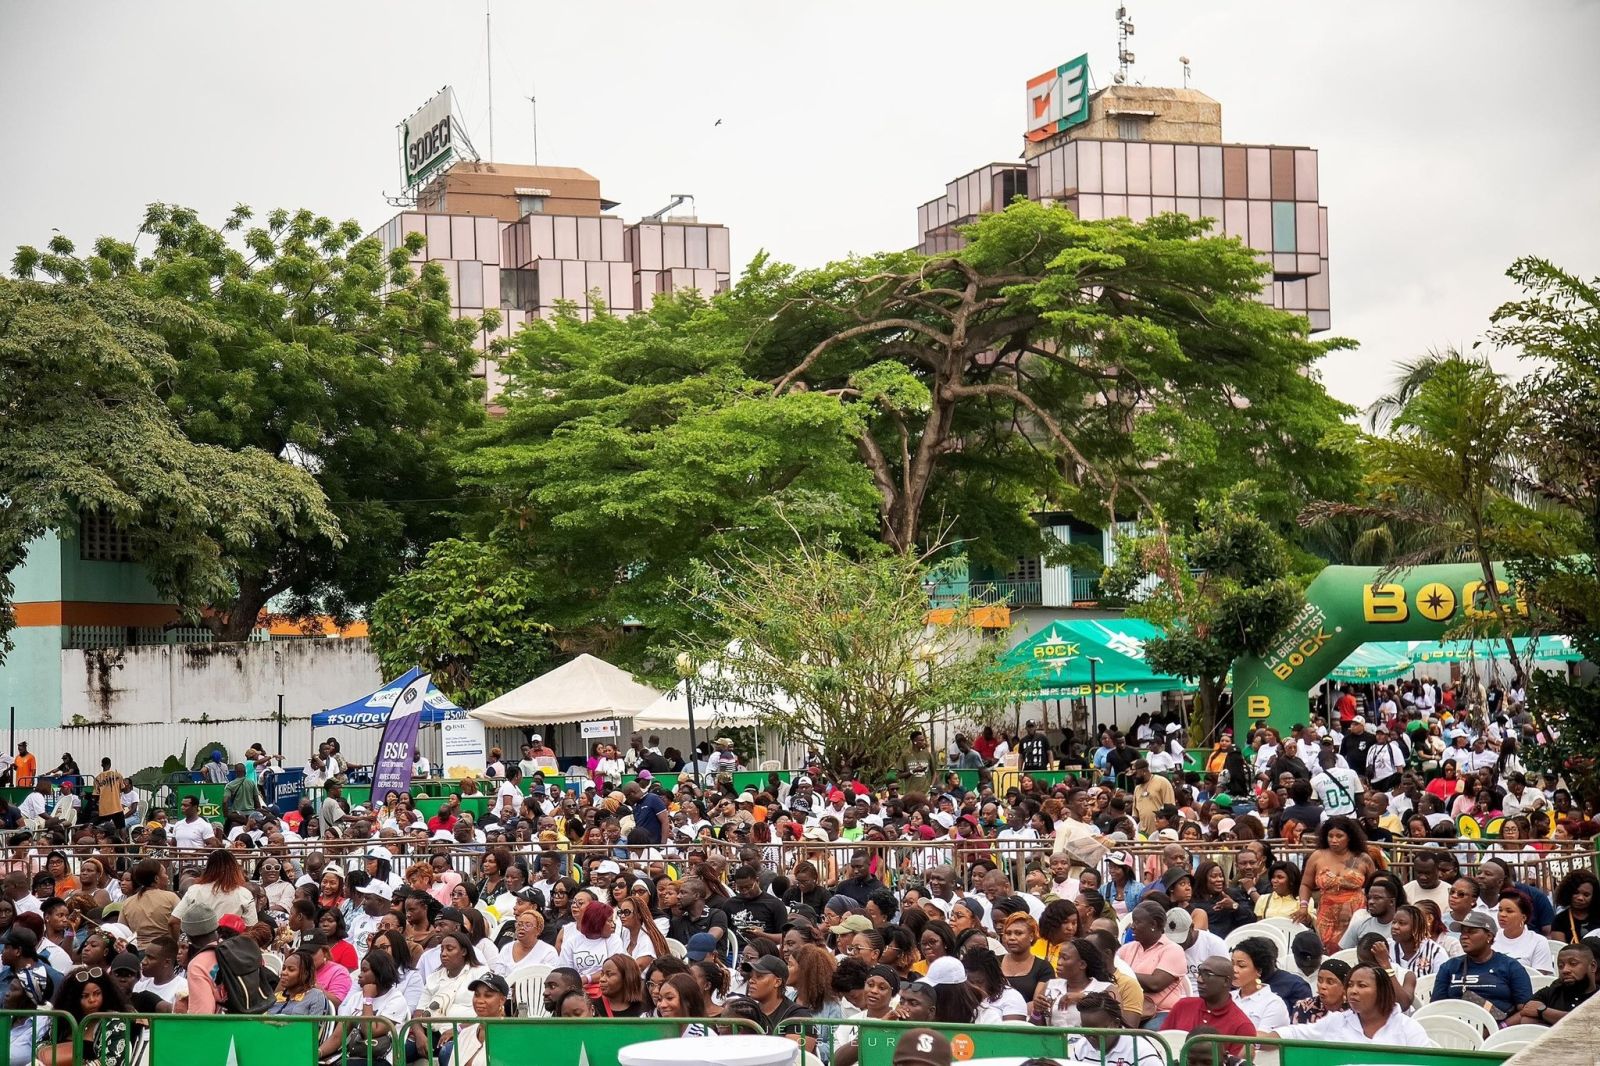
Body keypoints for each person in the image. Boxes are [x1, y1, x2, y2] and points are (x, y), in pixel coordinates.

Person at [1265, 963, 1429, 1046]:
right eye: (1350, 985)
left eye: (1362, 986)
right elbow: (1293, 1034)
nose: (1353, 991)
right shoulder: (1337, 1021)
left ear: (1381, 991)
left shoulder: (1408, 1028)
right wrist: (1255, 1040)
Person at [1295, 816, 1376, 952]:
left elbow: (1373, 886)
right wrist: (1303, 906)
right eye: (1330, 836)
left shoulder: (1362, 858)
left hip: (1355, 914)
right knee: (1327, 949)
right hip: (1326, 915)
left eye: (1339, 836)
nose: (1334, 840)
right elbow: (1305, 885)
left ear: (1349, 837)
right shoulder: (1317, 856)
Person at [1432, 910, 1533, 1017]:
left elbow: (1526, 1010)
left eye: (1471, 931)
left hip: (1500, 1028)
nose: (1464, 936)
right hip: (1457, 1028)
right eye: (1462, 932)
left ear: (1489, 936)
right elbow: (1436, 1007)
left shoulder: (1511, 967)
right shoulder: (1449, 967)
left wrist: (1500, 1028)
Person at [1160, 956, 1255, 1058]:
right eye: (1199, 973)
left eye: (1207, 974)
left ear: (1226, 981)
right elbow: (1160, 1046)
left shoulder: (1242, 1026)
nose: (1199, 980)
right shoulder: (1183, 1005)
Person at [1116, 903, 1188, 1027]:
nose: (1132, 926)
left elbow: (1155, 984)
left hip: (1161, 1011)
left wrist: (1123, 973)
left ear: (1153, 924)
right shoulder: (1127, 949)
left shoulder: (1173, 950)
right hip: (1128, 1008)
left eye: (1137, 922)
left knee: (1149, 1035)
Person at [1507, 943, 1596, 1027]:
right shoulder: (1549, 993)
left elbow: (1590, 1023)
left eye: (1573, 964)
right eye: (1561, 966)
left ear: (1593, 966)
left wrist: (1543, 1011)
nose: (1565, 970)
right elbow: (1527, 1018)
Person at [1229, 939, 1289, 1033]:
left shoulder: (1273, 1003)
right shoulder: (1228, 997)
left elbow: (1260, 1042)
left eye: (1241, 966)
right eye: (1232, 964)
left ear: (1259, 970)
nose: (1234, 970)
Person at [1495, 889, 1554, 972]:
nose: (1502, 914)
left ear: (1523, 917)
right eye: (1500, 910)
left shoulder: (1538, 941)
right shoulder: (1491, 937)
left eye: (1509, 911)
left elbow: (1540, 978)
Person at [267, 948, 331, 1016]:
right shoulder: (276, 996)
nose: (284, 972)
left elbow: (313, 1025)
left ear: (305, 974)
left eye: (291, 970)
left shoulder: (315, 995)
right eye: (283, 968)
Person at [1290, 958, 1349, 1024]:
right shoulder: (1303, 1007)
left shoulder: (1354, 1010)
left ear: (1345, 987)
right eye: (1320, 980)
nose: (1322, 986)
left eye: (1330, 982)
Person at [1552, 869, 1600, 944]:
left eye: (1586, 895)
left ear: (1594, 896)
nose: (1580, 898)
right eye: (1576, 893)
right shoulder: (1559, 921)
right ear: (1568, 892)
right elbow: (1560, 949)